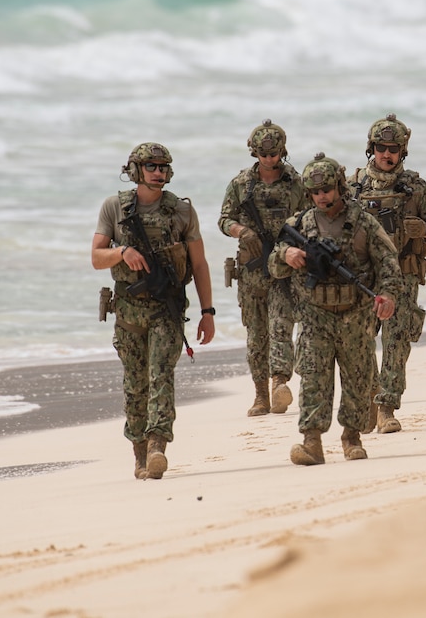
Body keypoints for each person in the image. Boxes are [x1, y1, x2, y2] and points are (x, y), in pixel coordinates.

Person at [91, 142, 216, 480]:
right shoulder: (114, 208)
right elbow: (96, 257)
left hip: (166, 309)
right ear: (135, 170)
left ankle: (157, 445)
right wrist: (122, 253)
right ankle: (139, 452)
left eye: (163, 167)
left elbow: (200, 264)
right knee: (135, 385)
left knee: (160, 375)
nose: (158, 173)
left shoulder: (181, 212)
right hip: (129, 312)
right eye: (151, 167)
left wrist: (208, 311)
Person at [269, 153, 402, 466]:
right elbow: (274, 265)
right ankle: (311, 442)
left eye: (327, 189)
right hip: (315, 315)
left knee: (357, 378)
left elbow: (387, 261)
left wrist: (388, 295)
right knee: (314, 378)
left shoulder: (363, 223)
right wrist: (286, 254)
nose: (321, 196)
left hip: (355, 314)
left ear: (340, 186)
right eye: (315, 192)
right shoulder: (299, 224)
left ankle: (351, 437)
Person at [349, 113, 426, 434]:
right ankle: (367, 398)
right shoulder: (352, 188)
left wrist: (425, 230)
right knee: (360, 342)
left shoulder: (416, 188)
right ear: (371, 148)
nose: (386, 154)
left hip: (403, 275)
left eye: (393, 148)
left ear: (402, 150)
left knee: (396, 341)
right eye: (381, 147)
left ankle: (386, 406)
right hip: (363, 277)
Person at [218, 120, 307, 417]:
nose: (269, 159)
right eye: (263, 153)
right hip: (252, 269)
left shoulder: (296, 183)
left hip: (284, 265)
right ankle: (260, 395)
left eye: (274, 153)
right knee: (256, 334)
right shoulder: (240, 184)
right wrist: (242, 232)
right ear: (254, 153)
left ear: (282, 151)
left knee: (281, 325)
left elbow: (310, 218)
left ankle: (279, 382)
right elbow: (224, 219)